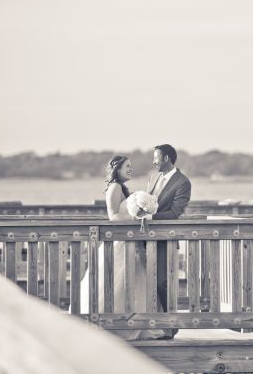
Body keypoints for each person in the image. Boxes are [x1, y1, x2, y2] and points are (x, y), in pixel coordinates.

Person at [79, 155, 165, 340]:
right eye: (127, 166)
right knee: (117, 282)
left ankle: (131, 323)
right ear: (117, 169)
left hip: (129, 242)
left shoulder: (121, 187)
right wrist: (136, 217)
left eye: (131, 166)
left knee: (132, 283)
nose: (130, 169)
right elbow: (113, 216)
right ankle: (115, 325)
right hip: (120, 243)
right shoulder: (115, 187)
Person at [148, 144, 192, 339]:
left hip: (165, 238)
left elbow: (175, 212)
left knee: (162, 283)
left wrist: (150, 218)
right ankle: (152, 324)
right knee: (147, 282)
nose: (153, 161)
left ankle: (170, 327)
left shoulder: (183, 182)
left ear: (166, 158)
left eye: (156, 157)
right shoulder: (153, 177)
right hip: (146, 239)